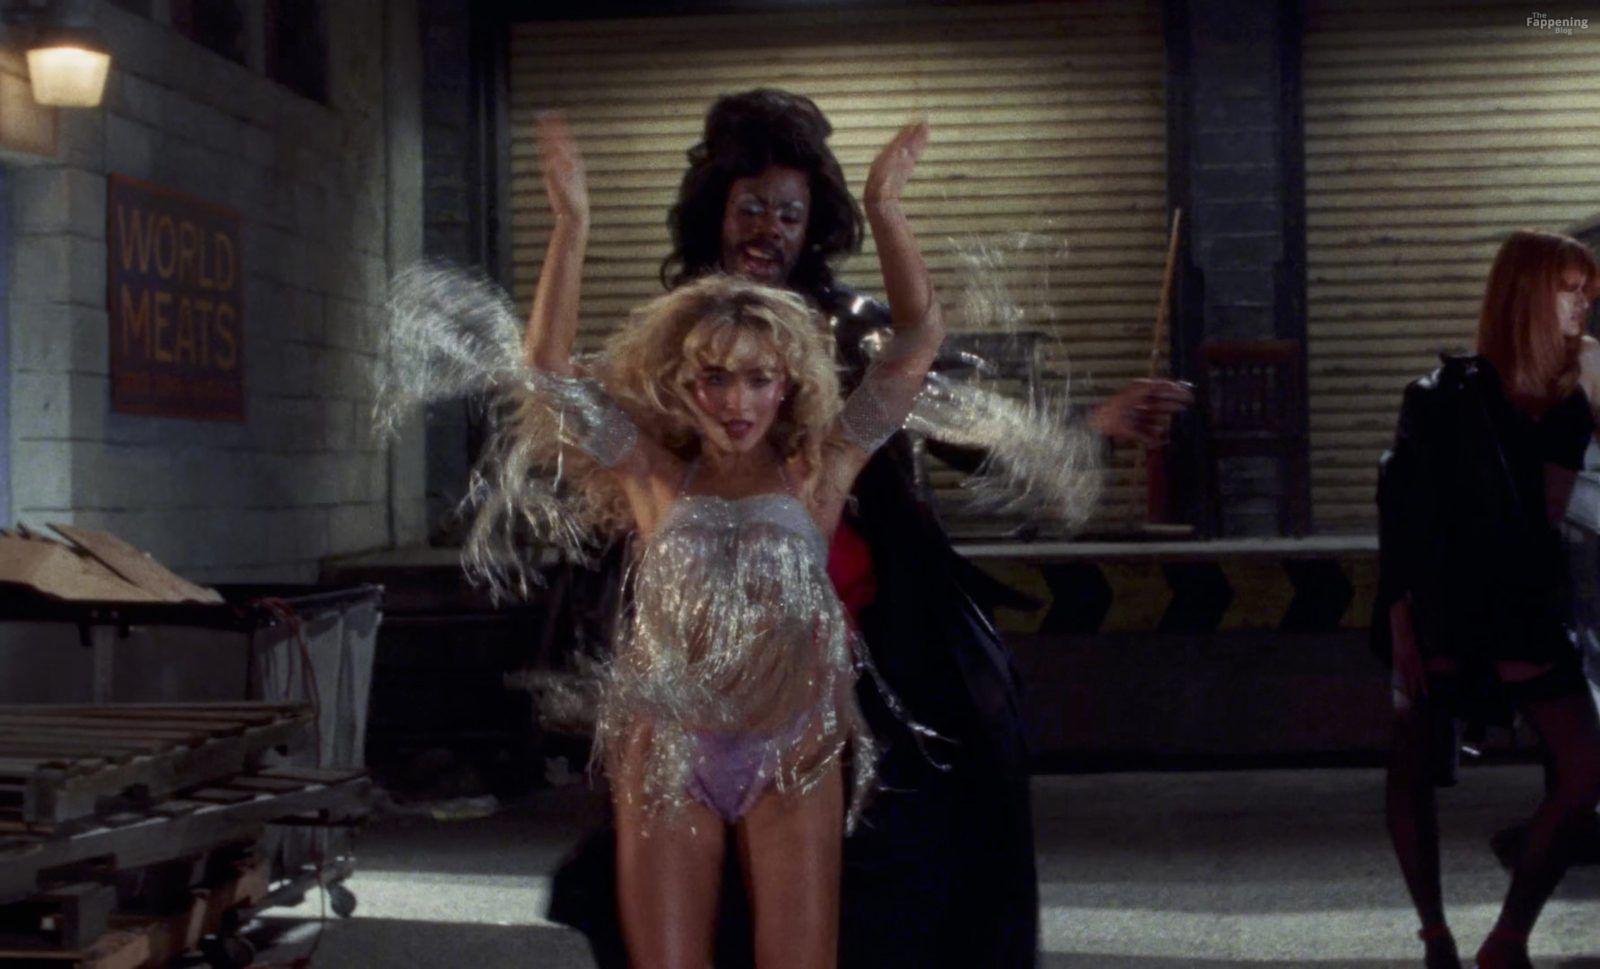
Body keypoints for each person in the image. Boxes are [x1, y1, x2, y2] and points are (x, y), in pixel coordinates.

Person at [549, 88, 1191, 969]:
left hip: (844, 632)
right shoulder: (677, 342)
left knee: (918, 829)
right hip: (688, 649)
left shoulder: (848, 342)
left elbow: (950, 401)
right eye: (751, 208)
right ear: (717, 213)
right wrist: (571, 227)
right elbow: (564, 391)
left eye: (789, 214)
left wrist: (1088, 423)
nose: (768, 230)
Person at [526, 110, 947, 968]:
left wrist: (886, 208)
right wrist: (571, 224)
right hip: (668, 743)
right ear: (681, 383)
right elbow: (546, 371)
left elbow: (916, 343)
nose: (736, 402)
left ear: (788, 382)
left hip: (793, 743)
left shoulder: (818, 470)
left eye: (759, 379)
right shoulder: (651, 472)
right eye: (713, 378)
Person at [1375, 228, 1600, 969]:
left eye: (1587, 292)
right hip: (1441, 602)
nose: (1582, 305)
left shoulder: (1568, 402)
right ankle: (1434, 933)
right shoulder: (1439, 397)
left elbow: (1547, 521)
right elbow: (1403, 518)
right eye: (1569, 290)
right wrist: (1403, 625)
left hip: (1522, 604)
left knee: (1585, 771)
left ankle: (1508, 937)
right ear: (1528, 295)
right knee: (1412, 764)